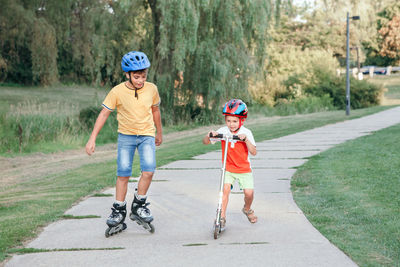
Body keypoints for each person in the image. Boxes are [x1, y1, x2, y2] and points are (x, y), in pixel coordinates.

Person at [85, 51, 162, 232]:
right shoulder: (117, 91)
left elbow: (156, 111)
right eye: (136, 77)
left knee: (149, 171)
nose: (140, 80)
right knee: (123, 174)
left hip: (147, 135)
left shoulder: (152, 89)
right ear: (127, 74)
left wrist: (159, 132)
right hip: (126, 137)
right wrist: (92, 138)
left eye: (143, 76)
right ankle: (119, 209)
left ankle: (138, 204)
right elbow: (104, 113)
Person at [203, 99, 257, 229]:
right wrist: (210, 135)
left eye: (234, 121)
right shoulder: (223, 131)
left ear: (241, 121)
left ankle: (247, 209)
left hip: (244, 169)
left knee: (249, 194)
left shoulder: (246, 132)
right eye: (228, 121)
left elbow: (254, 152)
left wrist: (246, 140)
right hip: (228, 168)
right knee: (224, 191)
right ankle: (221, 217)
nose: (231, 124)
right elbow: (205, 142)